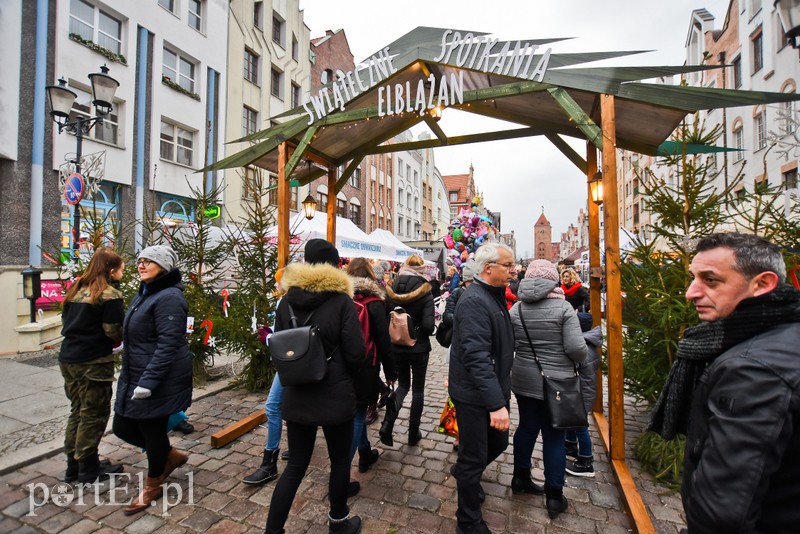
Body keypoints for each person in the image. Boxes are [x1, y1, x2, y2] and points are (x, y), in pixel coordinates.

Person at [648, 233, 800, 534]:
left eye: (711, 280)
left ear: (762, 284)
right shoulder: (782, 333)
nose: (691, 292)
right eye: (693, 278)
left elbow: (722, 513)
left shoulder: (753, 369)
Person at [264, 239, 365, 534]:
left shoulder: (286, 300)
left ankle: (273, 530)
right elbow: (356, 353)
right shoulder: (342, 301)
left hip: (298, 391)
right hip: (335, 393)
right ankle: (338, 523)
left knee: (295, 466)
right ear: (335, 265)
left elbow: (279, 347)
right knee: (339, 462)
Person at [113, 245, 192, 515]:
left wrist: (149, 381)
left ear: (164, 266)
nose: (141, 265)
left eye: (149, 261)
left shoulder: (169, 297)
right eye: (140, 260)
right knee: (122, 426)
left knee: (151, 429)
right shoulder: (145, 293)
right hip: (136, 372)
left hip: (157, 378)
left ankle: (153, 484)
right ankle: (169, 456)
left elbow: (169, 344)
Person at [509, 259, 587, 519]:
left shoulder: (517, 308)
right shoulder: (564, 308)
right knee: (554, 436)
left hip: (523, 379)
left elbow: (510, 343)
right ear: (553, 279)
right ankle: (554, 496)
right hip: (558, 382)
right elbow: (576, 348)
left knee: (527, 427)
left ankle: (520, 478)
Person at [448, 242, 516, 534]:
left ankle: (465, 474)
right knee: (474, 456)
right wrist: (495, 404)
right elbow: (476, 356)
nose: (514, 271)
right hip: (475, 395)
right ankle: (468, 520)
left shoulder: (493, 296)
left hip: (490, 390)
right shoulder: (476, 300)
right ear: (489, 268)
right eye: (508, 266)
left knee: (497, 443)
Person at [58, 247, 125, 483]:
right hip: (94, 361)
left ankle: (73, 465)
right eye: (121, 268)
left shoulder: (75, 290)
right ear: (111, 269)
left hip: (69, 358)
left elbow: (66, 321)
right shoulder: (109, 295)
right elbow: (112, 330)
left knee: (77, 409)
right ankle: (88, 466)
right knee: (94, 413)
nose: (123, 272)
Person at [346, 258, 395, 483]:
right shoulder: (375, 302)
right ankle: (342, 472)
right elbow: (384, 341)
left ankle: (365, 451)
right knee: (358, 413)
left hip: (343, 363)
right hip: (367, 364)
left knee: (356, 410)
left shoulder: (341, 298)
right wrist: (391, 371)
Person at [380, 254, 435, 447]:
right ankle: (413, 433)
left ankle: (387, 424)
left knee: (403, 386)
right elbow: (429, 326)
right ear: (421, 270)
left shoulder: (391, 288)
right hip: (418, 348)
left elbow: (385, 318)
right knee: (418, 390)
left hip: (396, 345)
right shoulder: (425, 291)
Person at [243, 268, 288, 486]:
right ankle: (297, 448)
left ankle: (269, 462)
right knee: (291, 405)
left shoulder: (284, 302)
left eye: (278, 282)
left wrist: (268, 337)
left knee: (272, 407)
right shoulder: (300, 298)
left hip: (288, 363)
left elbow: (282, 337)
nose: (275, 286)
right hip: (298, 362)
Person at [564, 312, 602, 478]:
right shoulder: (590, 342)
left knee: (580, 425)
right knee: (573, 420)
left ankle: (586, 460)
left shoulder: (583, 347)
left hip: (581, 391)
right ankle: (571, 446)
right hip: (583, 390)